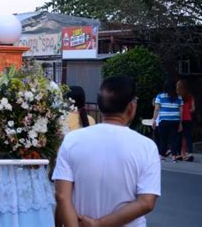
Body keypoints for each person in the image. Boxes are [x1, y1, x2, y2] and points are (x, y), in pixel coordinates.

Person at [53, 76, 160, 227]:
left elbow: (62, 195)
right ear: (131, 107)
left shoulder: (72, 140)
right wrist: (98, 224)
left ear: (100, 105)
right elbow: (146, 202)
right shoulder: (147, 147)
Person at [152, 80, 183, 162]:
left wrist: (154, 120)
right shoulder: (179, 97)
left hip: (164, 120)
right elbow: (181, 111)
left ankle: (162, 156)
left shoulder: (160, 96)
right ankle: (174, 156)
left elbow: (157, 109)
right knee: (173, 138)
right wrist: (180, 123)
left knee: (163, 138)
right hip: (175, 120)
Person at [176, 79, 195, 161]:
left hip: (178, 119)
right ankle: (189, 153)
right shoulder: (190, 96)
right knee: (188, 137)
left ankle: (179, 154)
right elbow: (193, 109)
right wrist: (187, 110)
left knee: (178, 137)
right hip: (188, 119)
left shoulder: (177, 97)